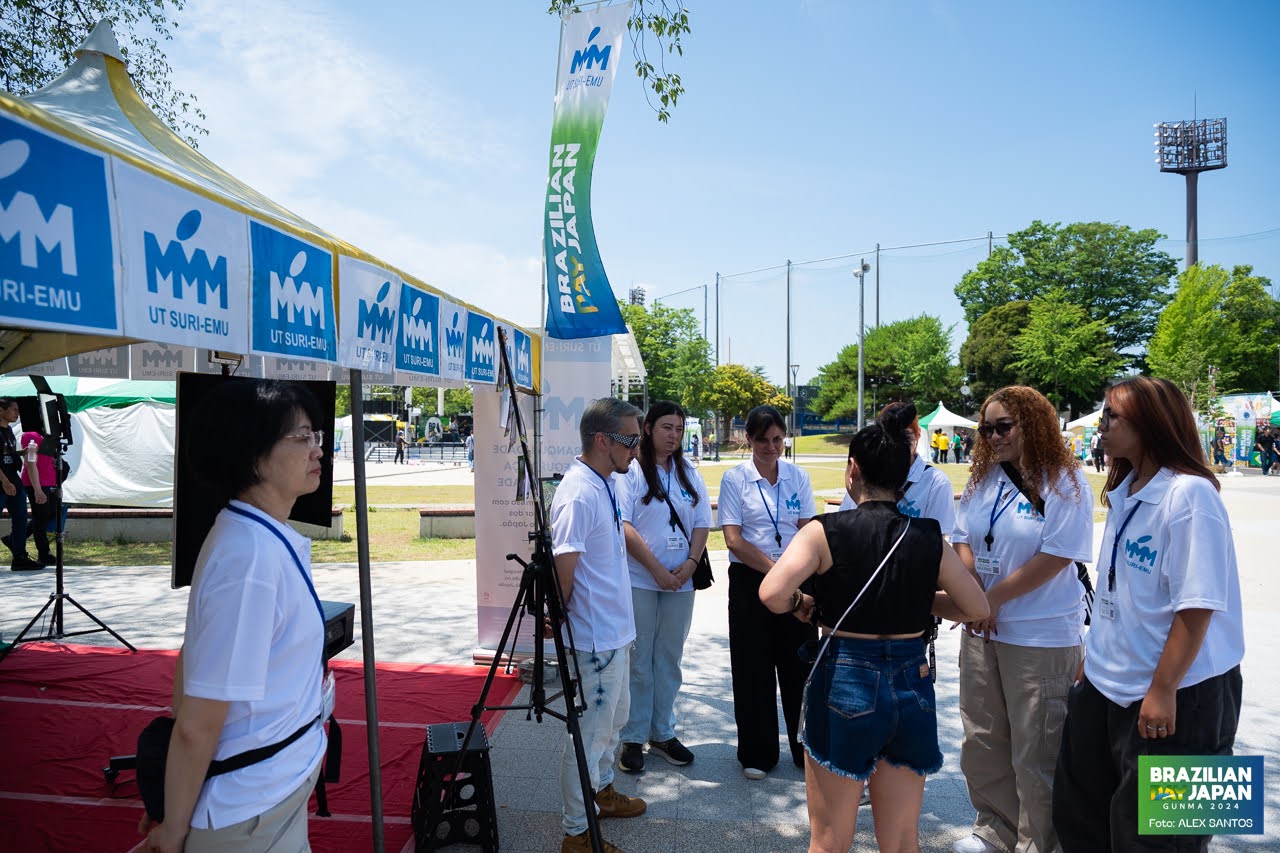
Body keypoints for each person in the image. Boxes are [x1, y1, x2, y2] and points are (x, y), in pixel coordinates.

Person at [759, 409, 989, 853]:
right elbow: (974, 606)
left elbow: (772, 593)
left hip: (845, 672)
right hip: (910, 678)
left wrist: (804, 605)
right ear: (905, 475)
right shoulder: (927, 536)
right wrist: (922, 600)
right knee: (902, 840)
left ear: (853, 470)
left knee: (829, 840)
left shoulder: (824, 532)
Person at [139, 379, 331, 853]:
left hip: (272, 792)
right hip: (248, 814)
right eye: (300, 437)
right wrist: (173, 831)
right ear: (252, 455)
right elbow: (196, 722)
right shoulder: (249, 559)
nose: (317, 450)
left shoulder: (259, 536)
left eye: (317, 436)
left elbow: (192, 660)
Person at [1053, 378, 1244, 853]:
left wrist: (1162, 690)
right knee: (1081, 822)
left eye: (1111, 415)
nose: (1101, 424)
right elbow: (1124, 593)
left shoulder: (1192, 496)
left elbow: (1197, 606)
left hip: (1186, 697)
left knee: (1169, 842)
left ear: (1151, 424)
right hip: (1106, 687)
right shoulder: (1126, 489)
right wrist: (1093, 658)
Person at [951, 385, 1095, 853]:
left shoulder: (1064, 480)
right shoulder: (982, 479)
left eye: (1003, 426)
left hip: (1039, 636)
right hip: (982, 630)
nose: (993, 436)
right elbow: (962, 539)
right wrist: (974, 594)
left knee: (1037, 752)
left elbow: (1057, 555)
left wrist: (990, 600)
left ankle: (1039, 844)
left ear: (1032, 424)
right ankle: (995, 831)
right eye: (986, 428)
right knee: (983, 739)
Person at [549, 397, 648, 853]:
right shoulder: (578, 491)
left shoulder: (605, 481)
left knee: (614, 724)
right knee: (590, 737)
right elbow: (562, 568)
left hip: (614, 633)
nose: (637, 448)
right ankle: (576, 831)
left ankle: (602, 793)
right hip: (594, 640)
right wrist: (561, 621)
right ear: (602, 440)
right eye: (631, 440)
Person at [718, 405, 818, 780]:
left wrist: (793, 577)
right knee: (752, 666)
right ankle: (757, 752)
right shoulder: (735, 479)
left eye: (778, 439)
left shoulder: (797, 477)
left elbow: (808, 529)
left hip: (796, 580)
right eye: (764, 440)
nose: (772, 447)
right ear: (749, 439)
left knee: (800, 664)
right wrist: (778, 574)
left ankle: (804, 747)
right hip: (750, 581)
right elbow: (733, 539)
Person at [618, 401, 711, 773]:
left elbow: (703, 522)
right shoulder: (632, 472)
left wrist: (689, 565)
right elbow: (624, 525)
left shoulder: (690, 472)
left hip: (681, 583)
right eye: (666, 428)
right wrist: (656, 569)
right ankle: (633, 736)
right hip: (641, 579)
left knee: (669, 658)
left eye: (679, 429)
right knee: (640, 660)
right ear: (648, 429)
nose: (673, 435)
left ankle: (662, 732)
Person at [838, 402, 957, 538]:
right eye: (889, 435)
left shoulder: (935, 482)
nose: (897, 442)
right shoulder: (868, 470)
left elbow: (938, 540)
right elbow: (845, 520)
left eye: (905, 435)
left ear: (918, 435)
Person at [0, 397, 40, 570]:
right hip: (2, 483)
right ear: (1, 410)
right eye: (14, 409)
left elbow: (6, 453)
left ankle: (20, 558)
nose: (17, 413)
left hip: (14, 483)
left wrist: (23, 453)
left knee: (21, 520)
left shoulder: (8, 430)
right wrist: (5, 482)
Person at [19, 427, 55, 568]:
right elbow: (30, 463)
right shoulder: (30, 435)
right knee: (40, 519)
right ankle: (44, 554)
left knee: (47, 515)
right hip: (37, 483)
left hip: (48, 482)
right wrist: (37, 489)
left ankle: (13, 539)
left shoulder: (47, 434)